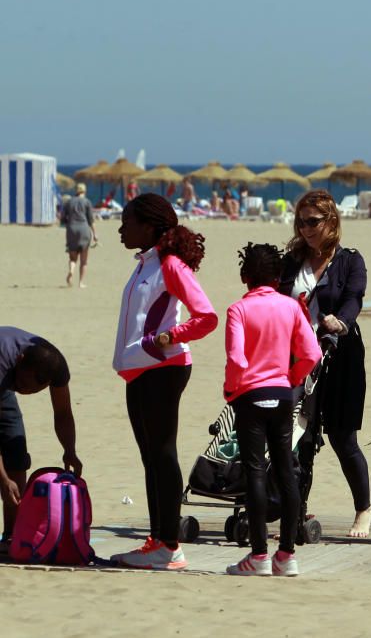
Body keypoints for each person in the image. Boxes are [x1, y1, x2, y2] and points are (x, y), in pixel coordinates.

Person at [110, 193, 218, 570]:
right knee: (150, 456)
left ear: (149, 225)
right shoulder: (145, 263)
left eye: (127, 221)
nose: (121, 228)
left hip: (164, 368)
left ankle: (170, 546)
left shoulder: (170, 265)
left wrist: (171, 337)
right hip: (139, 368)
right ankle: (158, 540)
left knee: (162, 452)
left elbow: (206, 317)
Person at [278, 189, 371, 539]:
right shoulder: (291, 261)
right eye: (301, 222)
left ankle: (363, 509)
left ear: (331, 221)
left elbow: (353, 298)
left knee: (342, 438)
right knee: (299, 437)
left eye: (313, 221)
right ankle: (296, 514)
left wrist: (340, 323)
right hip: (298, 359)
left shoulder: (350, 259)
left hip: (340, 356)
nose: (305, 228)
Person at [224, 243, 322, 576]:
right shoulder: (291, 307)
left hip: (251, 396)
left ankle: (259, 555)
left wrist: (231, 388)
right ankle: (287, 555)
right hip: (282, 394)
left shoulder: (238, 310)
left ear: (244, 275)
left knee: (253, 470)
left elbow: (237, 358)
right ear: (279, 276)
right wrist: (290, 379)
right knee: (284, 469)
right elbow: (311, 353)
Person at [0, 328, 83, 554]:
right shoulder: (4, 367)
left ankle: (10, 537)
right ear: (19, 360)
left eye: (32, 390)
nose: (24, 391)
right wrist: (3, 479)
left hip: (4, 386)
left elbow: (63, 413)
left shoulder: (55, 367)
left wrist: (69, 450)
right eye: (22, 385)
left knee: (16, 453)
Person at [62, 183, 99, 288]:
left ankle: (71, 270)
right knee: (84, 261)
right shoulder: (87, 202)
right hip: (84, 230)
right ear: (85, 191)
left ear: (76, 191)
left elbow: (63, 218)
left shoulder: (69, 202)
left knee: (73, 257)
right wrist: (95, 234)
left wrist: (68, 223)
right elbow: (91, 220)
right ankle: (81, 283)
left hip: (71, 229)